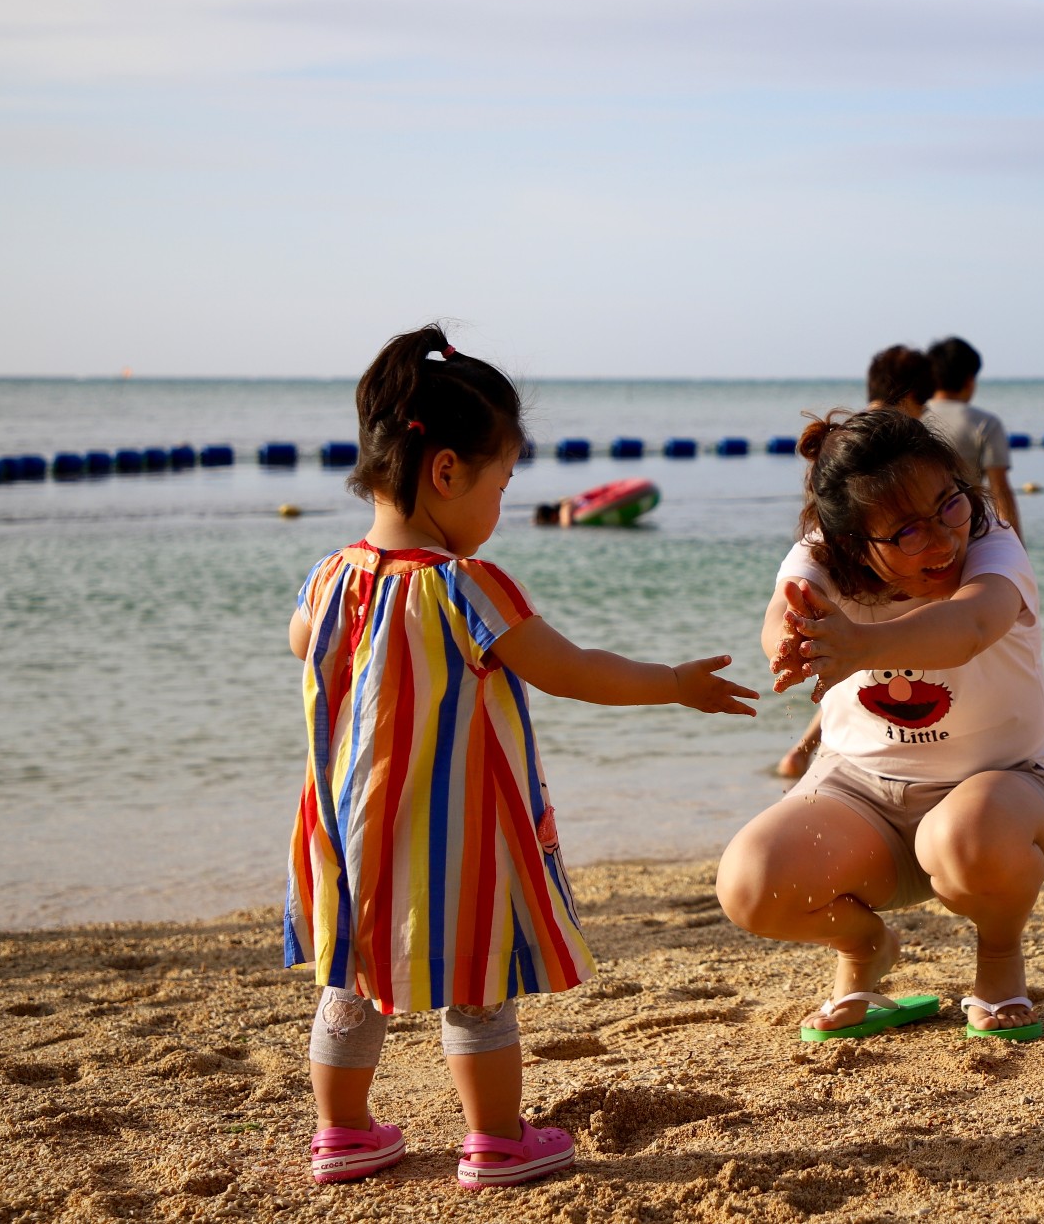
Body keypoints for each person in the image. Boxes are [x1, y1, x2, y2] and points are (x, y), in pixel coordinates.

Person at [285, 326, 758, 1189]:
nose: (501, 506)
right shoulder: (469, 586)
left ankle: (342, 1132)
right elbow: (572, 671)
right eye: (501, 483)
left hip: (352, 833)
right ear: (446, 473)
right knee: (478, 985)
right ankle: (496, 1137)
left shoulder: (331, 576)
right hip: (456, 839)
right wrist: (673, 682)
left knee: (352, 980)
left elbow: (301, 644)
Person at [718, 409, 1044, 1040]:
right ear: (855, 544)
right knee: (750, 885)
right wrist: (791, 646)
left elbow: (967, 629)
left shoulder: (994, 545)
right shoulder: (822, 560)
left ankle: (997, 959)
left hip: (1003, 794)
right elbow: (781, 616)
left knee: (966, 841)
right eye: (907, 532)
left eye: (949, 507)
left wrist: (859, 646)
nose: (940, 541)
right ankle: (865, 949)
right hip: (861, 797)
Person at [775, 345, 941, 779]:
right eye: (922, 404)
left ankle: (803, 749)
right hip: (906, 563)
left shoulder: (843, 446)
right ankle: (811, 749)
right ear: (910, 400)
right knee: (859, 662)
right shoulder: (907, 445)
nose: (924, 412)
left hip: (876, 568)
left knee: (847, 663)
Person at [923, 336, 1024, 544]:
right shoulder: (985, 423)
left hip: (920, 535)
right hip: (968, 532)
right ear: (969, 379)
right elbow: (1000, 489)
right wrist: (1016, 545)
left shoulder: (912, 419)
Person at [865, 344, 935, 418]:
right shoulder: (901, 428)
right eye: (923, 408)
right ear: (909, 399)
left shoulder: (854, 425)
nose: (921, 416)